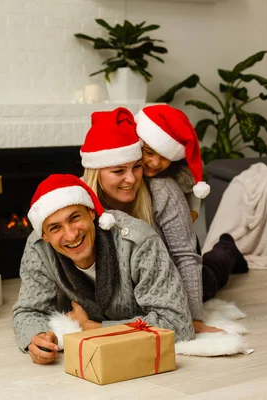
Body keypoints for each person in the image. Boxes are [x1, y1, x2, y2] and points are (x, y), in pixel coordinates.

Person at [80, 107, 247, 334]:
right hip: (137, 285)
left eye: (136, 167)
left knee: (211, 274)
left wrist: (193, 318)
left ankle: (227, 247)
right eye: (119, 170)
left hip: (175, 266)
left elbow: (185, 256)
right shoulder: (82, 201)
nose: (153, 164)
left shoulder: (162, 189)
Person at [11, 173, 195, 365]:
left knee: (213, 274)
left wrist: (97, 329)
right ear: (45, 236)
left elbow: (178, 326)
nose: (71, 235)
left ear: (91, 213)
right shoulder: (38, 247)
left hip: (173, 276)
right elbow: (28, 310)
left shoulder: (138, 241)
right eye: (56, 228)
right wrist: (38, 337)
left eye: (75, 218)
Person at [134, 104, 211, 223]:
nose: (155, 163)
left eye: (165, 157)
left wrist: (193, 212)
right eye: (149, 153)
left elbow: (192, 192)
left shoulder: (180, 176)